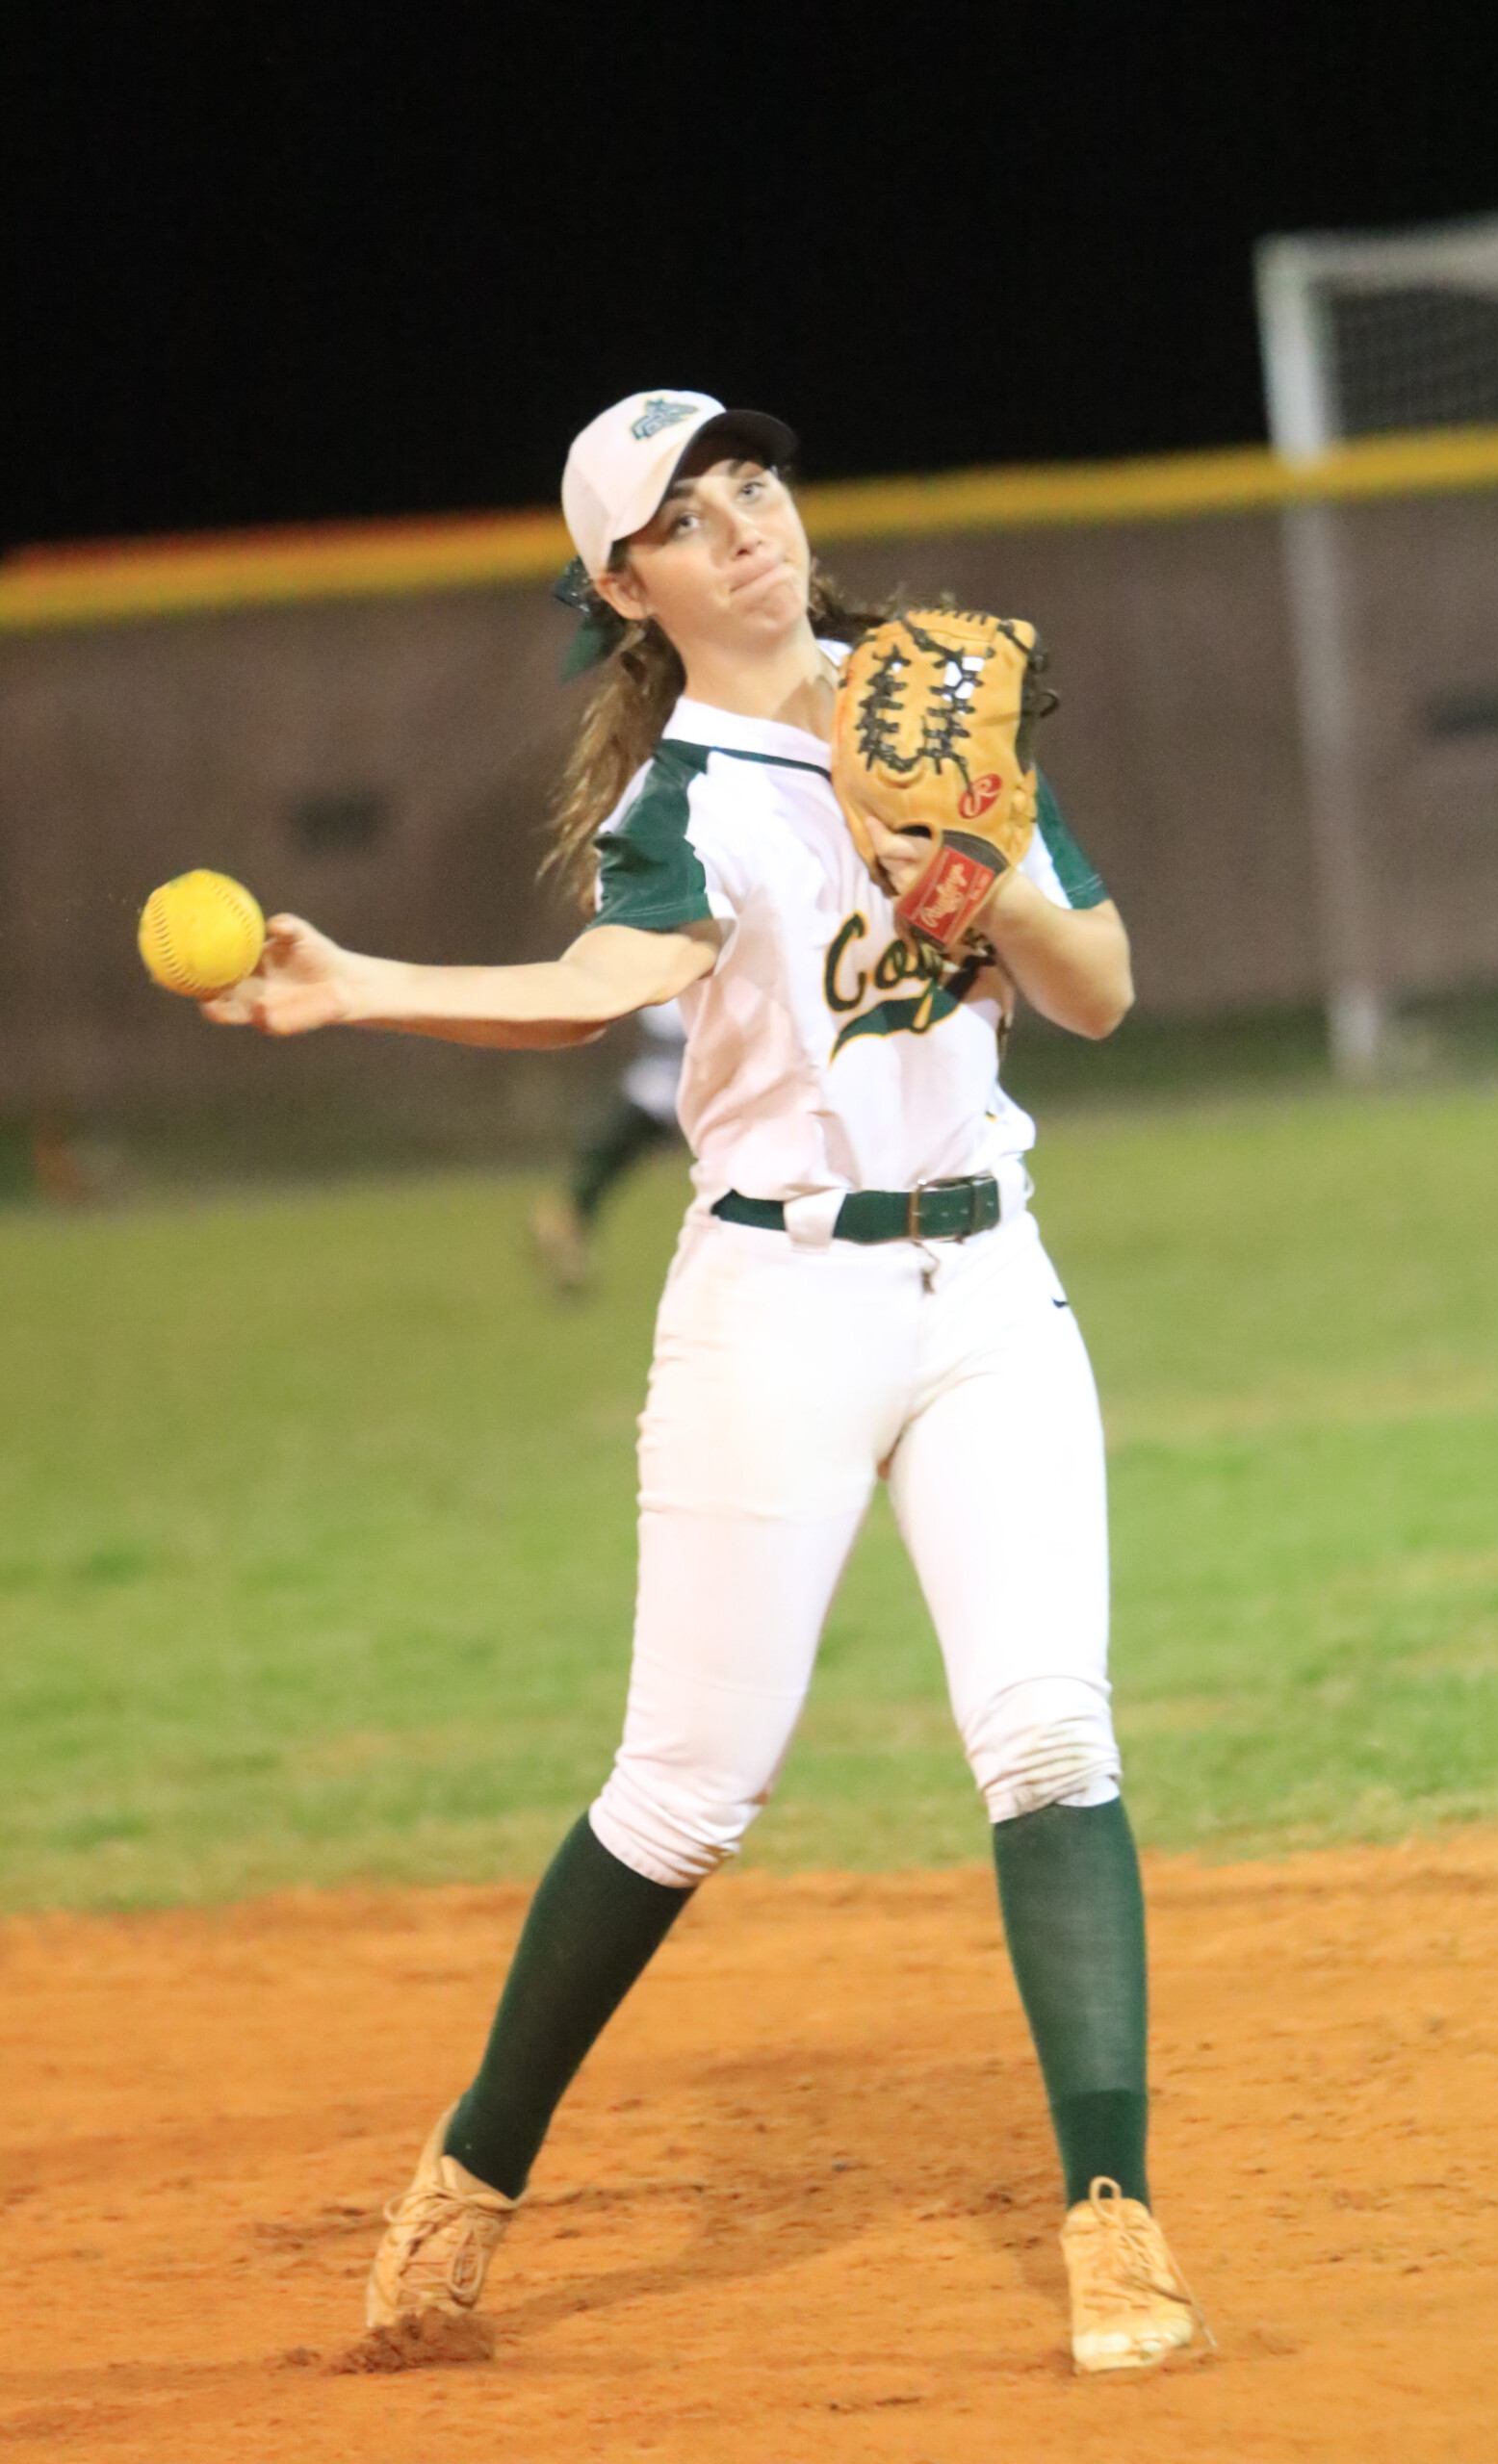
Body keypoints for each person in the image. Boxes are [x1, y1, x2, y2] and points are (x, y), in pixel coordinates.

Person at [204, 388, 1210, 2375]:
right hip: (776, 1307)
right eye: (684, 511)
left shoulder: (934, 701)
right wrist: (361, 983)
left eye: (750, 479)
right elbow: (604, 991)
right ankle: (471, 2171)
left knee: (1049, 1735)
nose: (742, 519)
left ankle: (1111, 2214)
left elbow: (1092, 988)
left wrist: (973, 866)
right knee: (684, 1793)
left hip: (988, 1281)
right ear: (626, 586)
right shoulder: (685, 792)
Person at [528, 998, 684, 1293]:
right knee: (601, 1162)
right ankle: (566, 1226)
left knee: (602, 1162)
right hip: (667, 1096)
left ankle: (566, 1223)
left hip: (674, 1097)